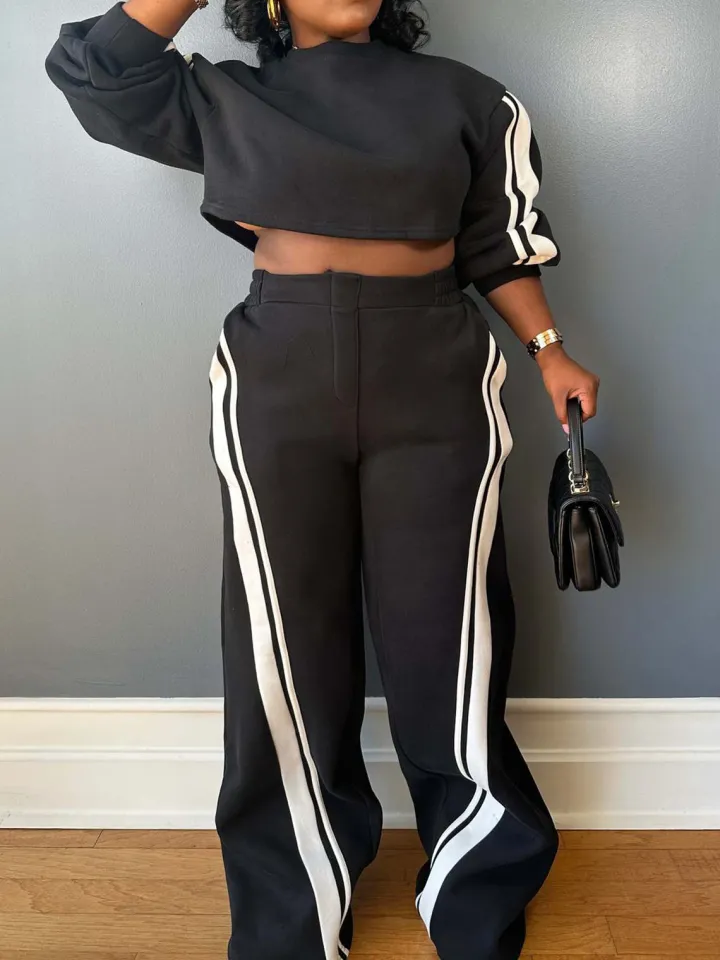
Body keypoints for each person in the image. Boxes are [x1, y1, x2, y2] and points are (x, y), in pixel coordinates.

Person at [45, 2, 600, 958]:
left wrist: (550, 350)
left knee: (451, 635)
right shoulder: (223, 97)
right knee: (283, 641)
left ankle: (475, 898)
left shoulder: (473, 100)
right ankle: (290, 923)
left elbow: (500, 237)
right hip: (280, 369)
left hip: (437, 370)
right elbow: (98, 70)